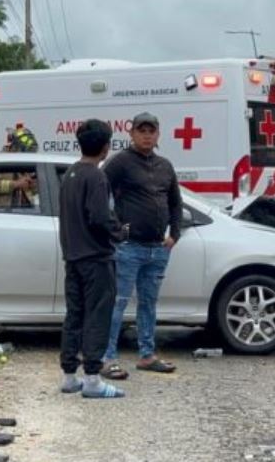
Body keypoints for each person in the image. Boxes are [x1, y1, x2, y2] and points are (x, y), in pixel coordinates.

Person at [101, 112, 182, 379]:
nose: (147, 135)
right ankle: (107, 357)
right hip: (129, 248)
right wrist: (117, 229)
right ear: (132, 133)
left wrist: (175, 234)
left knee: (149, 303)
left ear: (158, 134)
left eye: (151, 131)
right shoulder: (120, 162)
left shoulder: (165, 165)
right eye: (141, 130)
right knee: (118, 303)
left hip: (158, 248)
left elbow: (175, 202)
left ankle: (147, 355)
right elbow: (100, 192)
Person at [58, 119, 128, 399]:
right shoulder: (97, 176)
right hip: (96, 258)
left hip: (72, 257)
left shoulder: (70, 174)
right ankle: (93, 380)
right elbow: (99, 217)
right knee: (98, 315)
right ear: (105, 147)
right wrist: (119, 232)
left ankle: (68, 376)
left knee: (74, 315)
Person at [0, 125, 38, 208]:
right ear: (15, 147)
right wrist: (17, 184)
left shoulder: (23, 163)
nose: (26, 158)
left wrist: (32, 184)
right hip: (2, 214)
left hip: (25, 213)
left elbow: (33, 192)